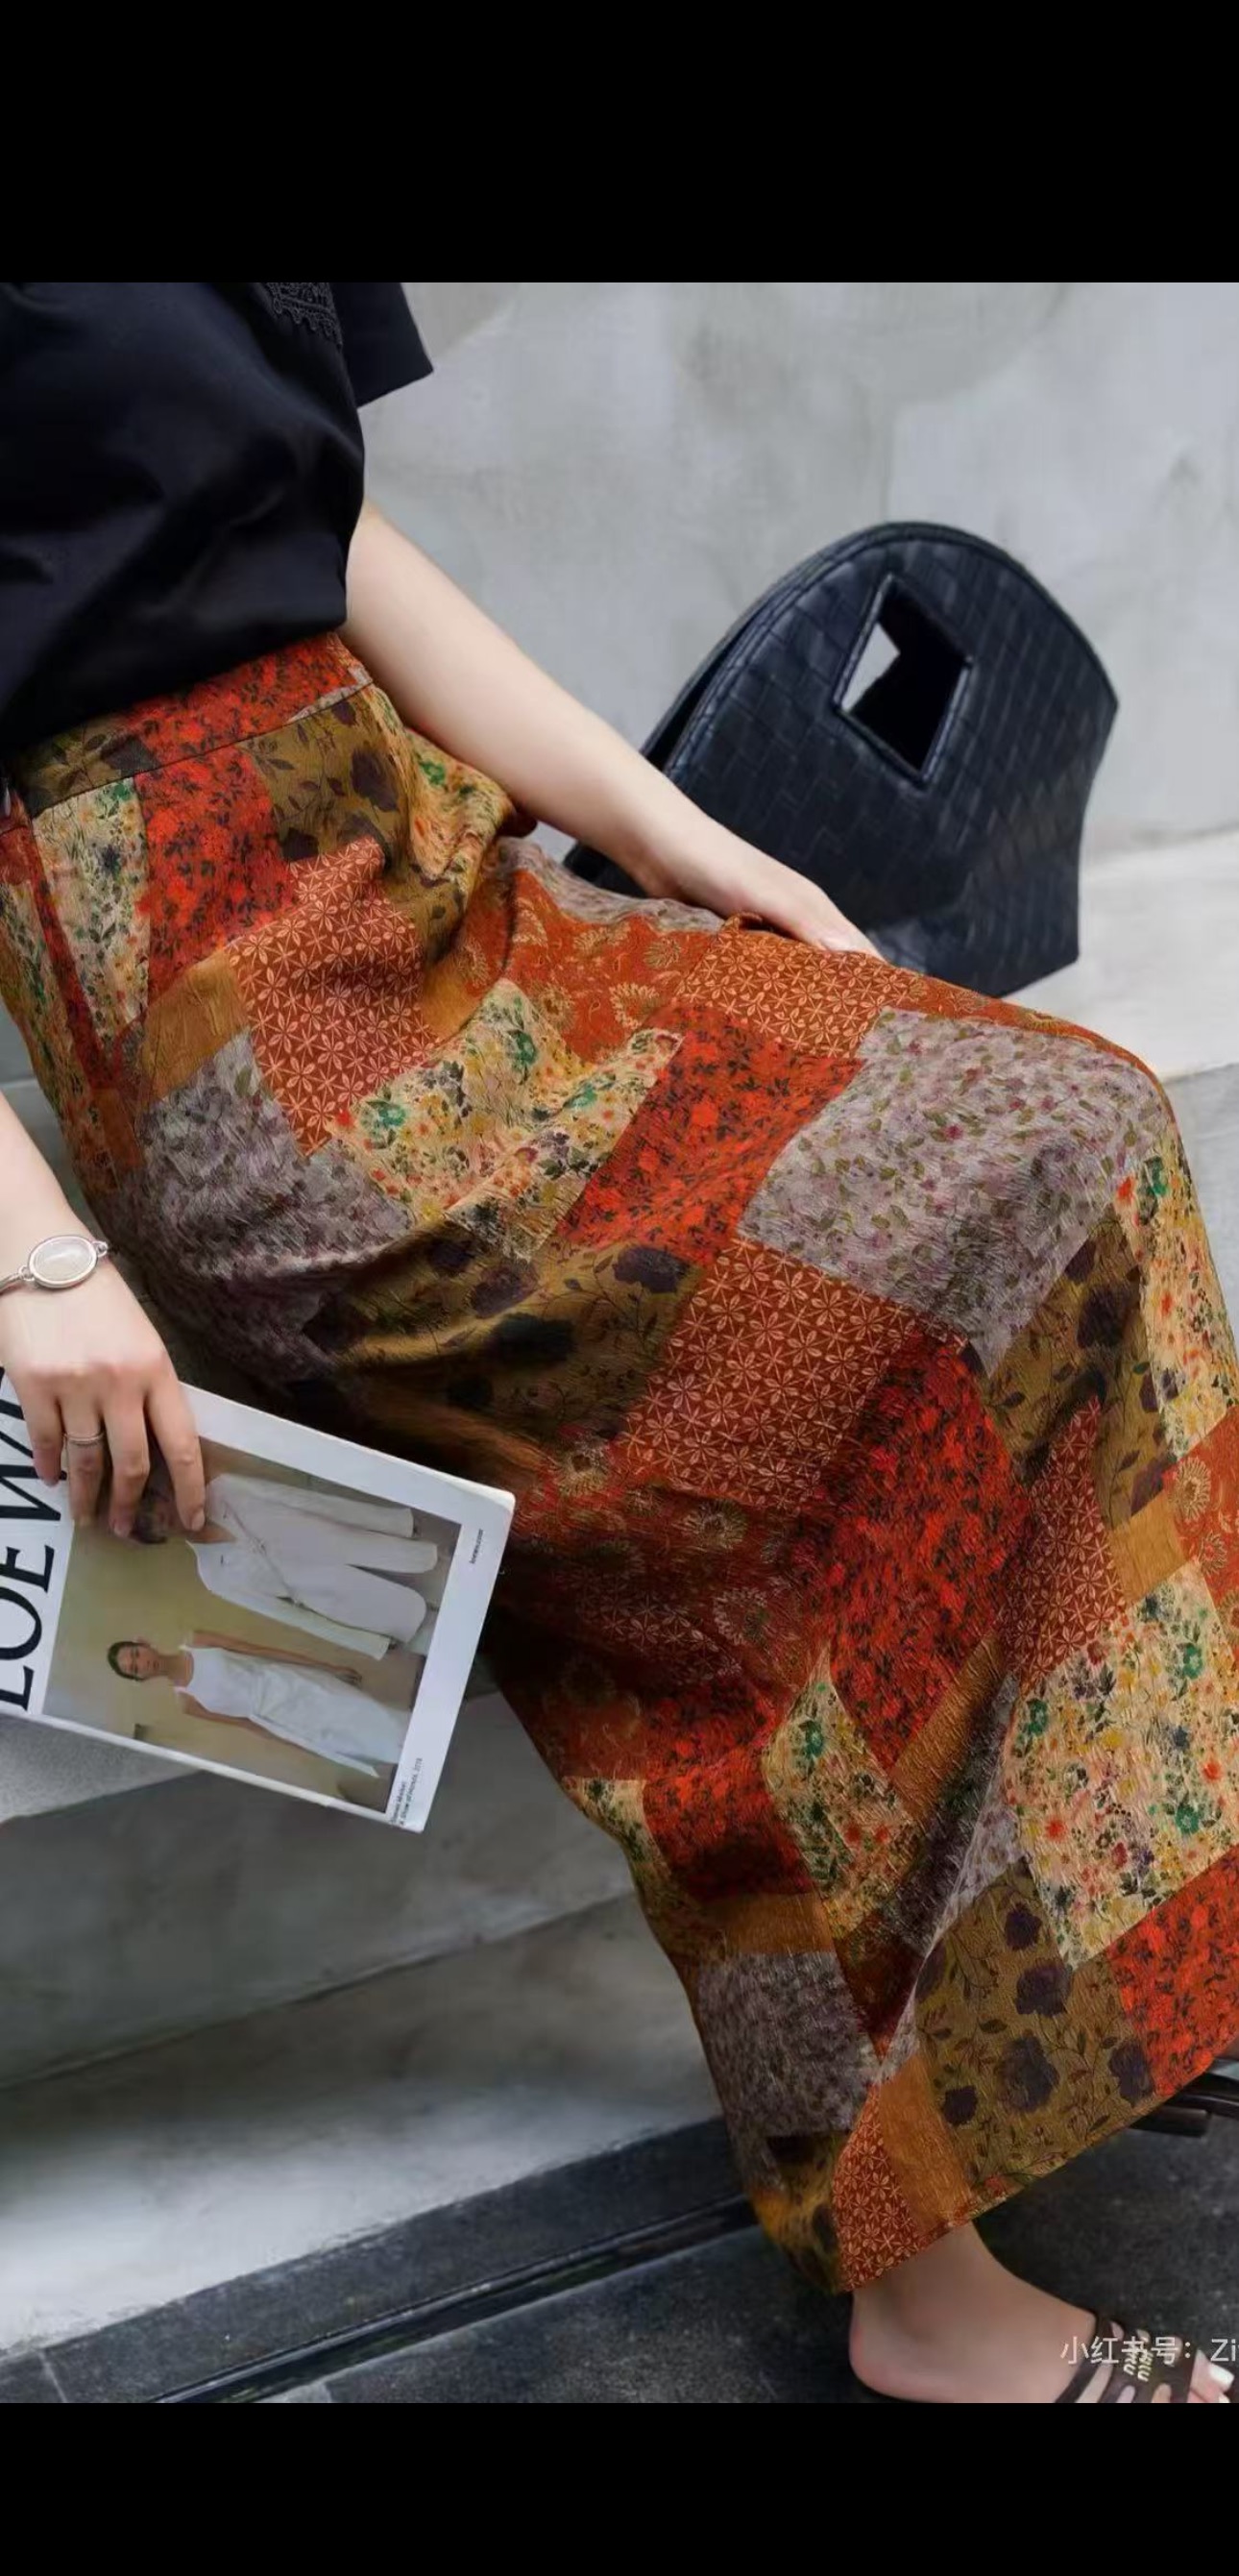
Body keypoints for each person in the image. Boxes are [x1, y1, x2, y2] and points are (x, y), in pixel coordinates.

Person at [1, 282, 1237, 2406]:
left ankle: (1076, 1966)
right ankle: (927, 2281)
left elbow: (327, 537)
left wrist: (691, 844)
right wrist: (32, 1255)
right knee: (777, 1431)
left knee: (1080, 1143)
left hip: (441, 888)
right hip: (229, 1022)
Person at [132, 1456, 441, 1656]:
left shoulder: (222, 1491)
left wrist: (390, 1523)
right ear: (159, 1539)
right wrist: (366, 1642)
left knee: (442, 1574)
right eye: (155, 1526)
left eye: (156, 1510)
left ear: (163, 1497)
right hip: (344, 1599)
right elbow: (287, 1614)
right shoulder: (213, 1575)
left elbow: (305, 1502)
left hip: (363, 1544)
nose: (164, 1520)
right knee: (434, 1636)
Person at [108, 1634, 408, 1778]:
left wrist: (327, 1668)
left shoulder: (198, 1642)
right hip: (282, 1720)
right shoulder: (186, 1701)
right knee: (354, 1743)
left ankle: (418, 1735)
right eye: (135, 1669)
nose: (142, 1663)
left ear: (143, 1644)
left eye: (135, 1654)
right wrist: (303, 1747)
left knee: (368, 1714)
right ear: (139, 1679)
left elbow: (263, 1649)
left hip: (294, 1685)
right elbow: (246, 1724)